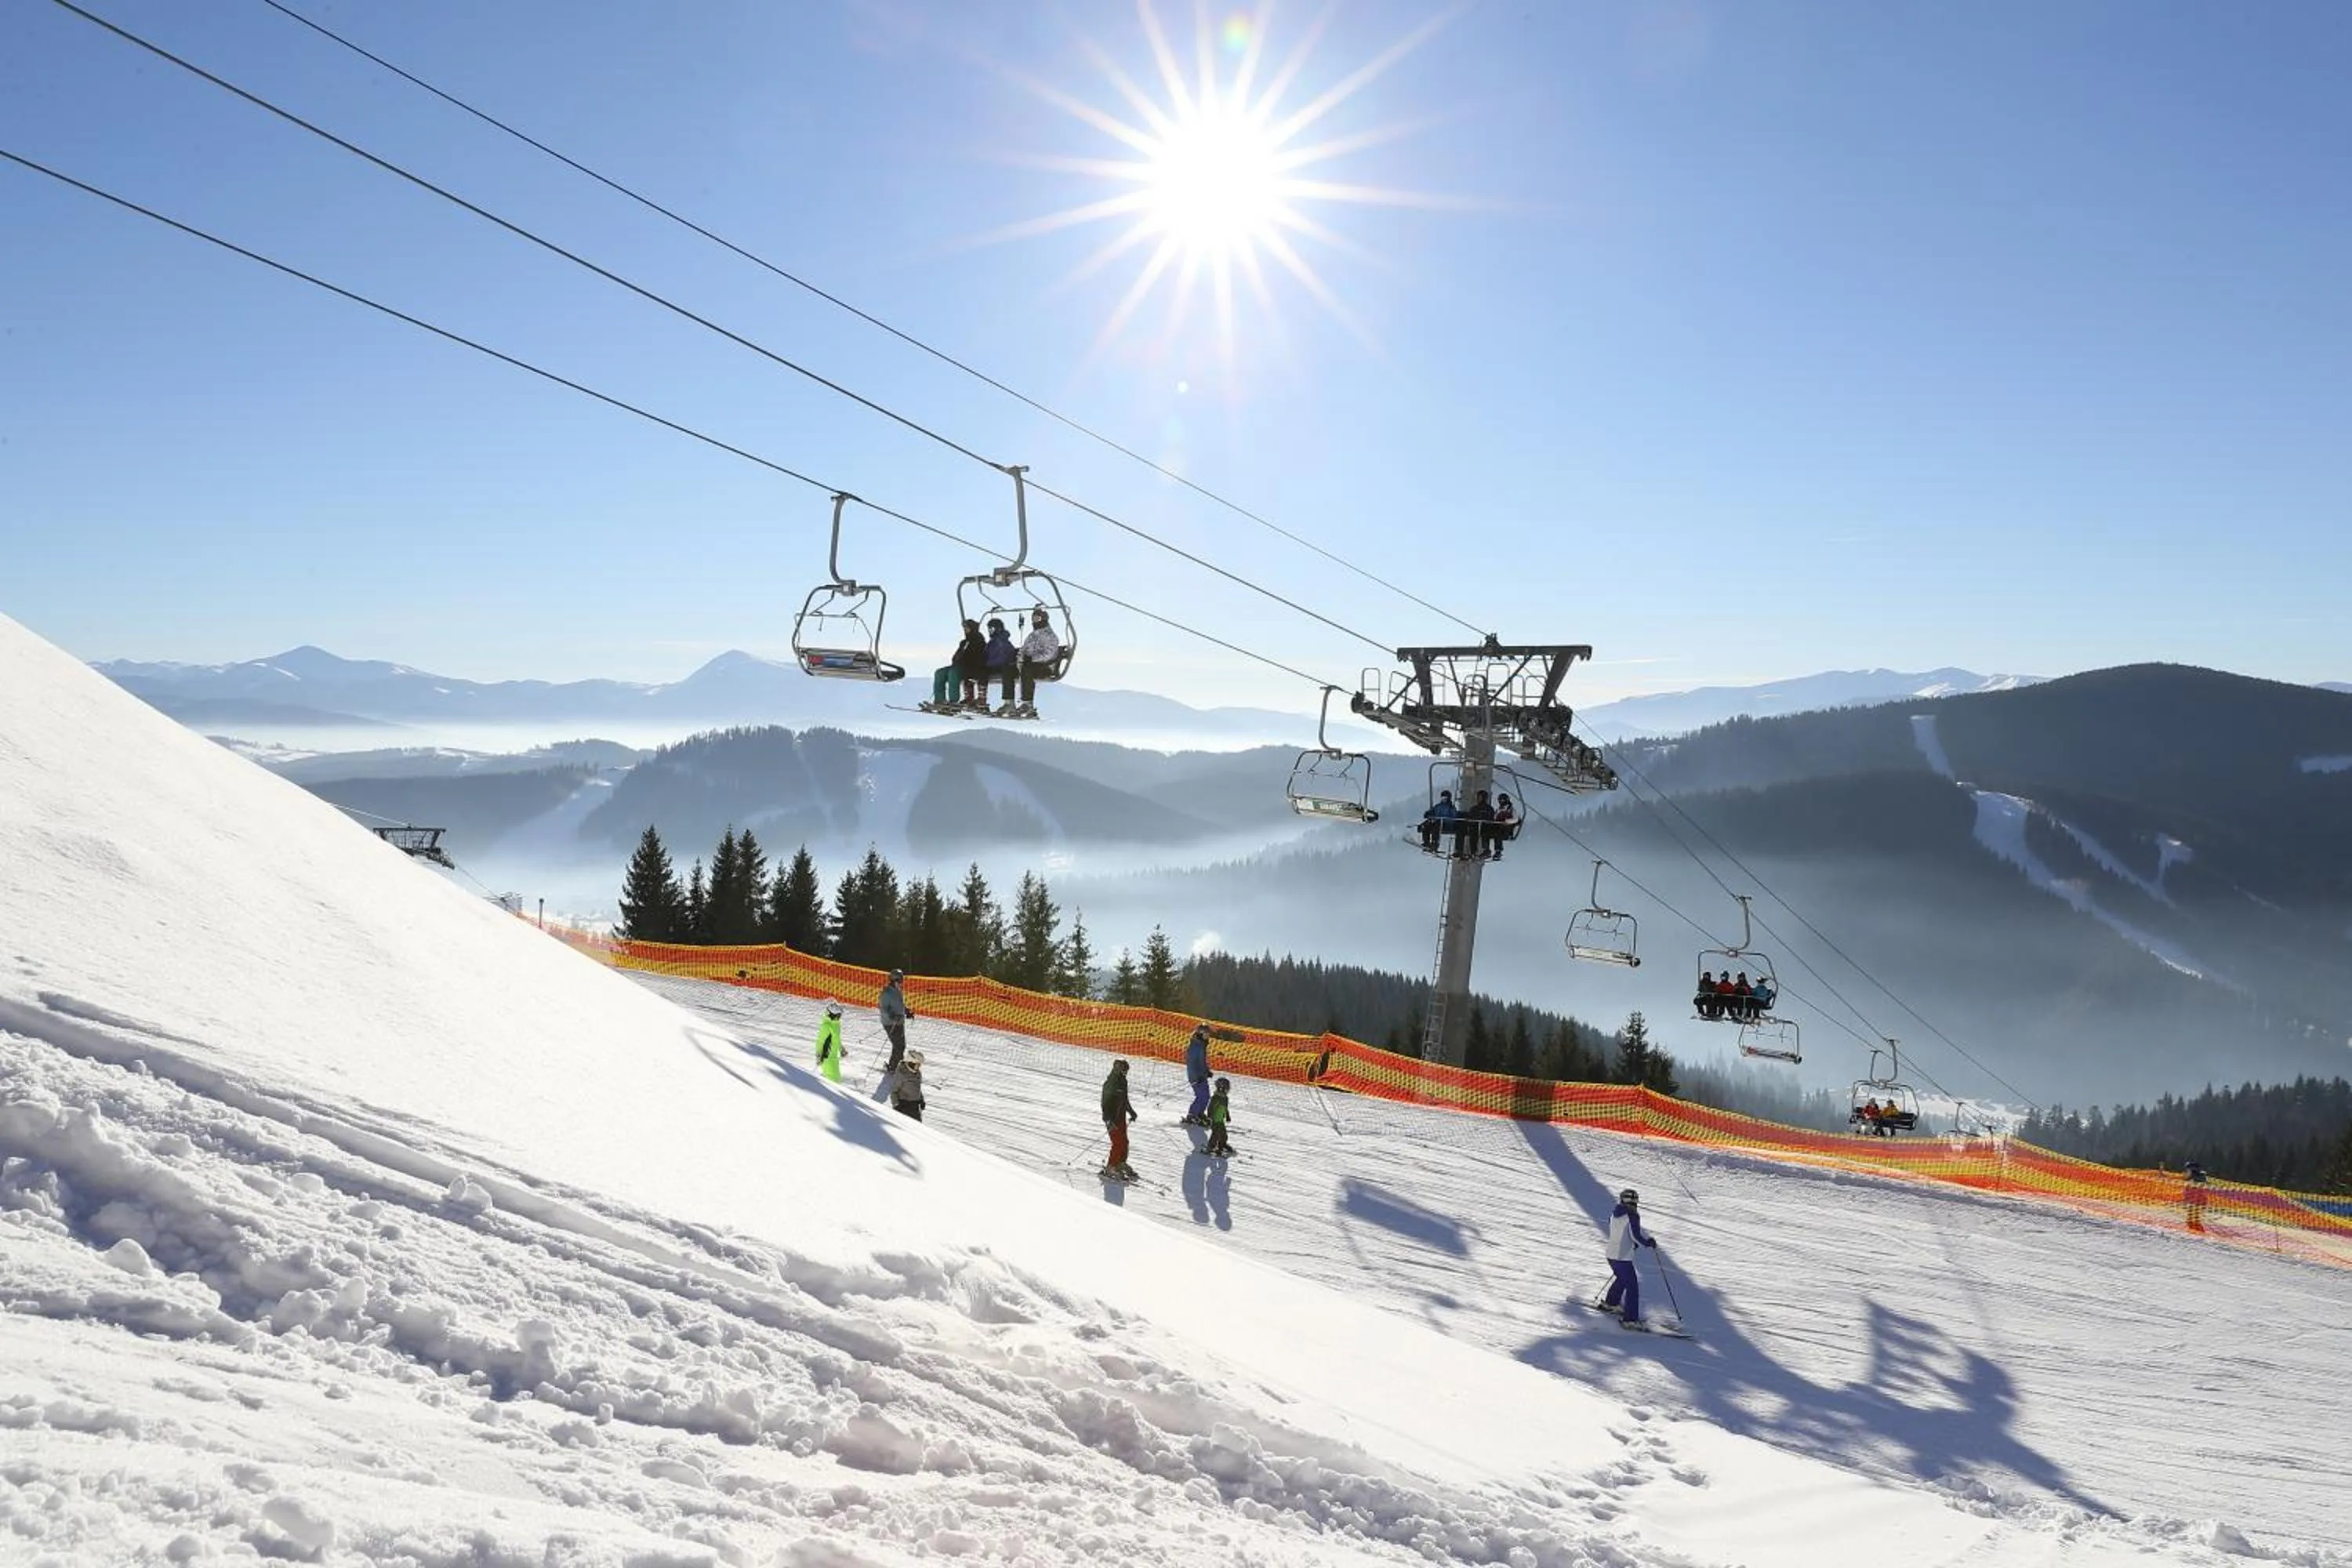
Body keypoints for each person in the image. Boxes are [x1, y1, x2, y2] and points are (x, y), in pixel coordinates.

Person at [1597, 1187, 1658, 1327]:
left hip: (1611, 1255)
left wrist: (1631, 1244)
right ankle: (1630, 1320)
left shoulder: (1614, 1214)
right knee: (1632, 1287)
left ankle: (1611, 1304)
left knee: (1622, 1279)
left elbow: (1620, 1233)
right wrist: (1648, 1243)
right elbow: (1635, 1235)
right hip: (1622, 1257)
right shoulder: (1632, 1215)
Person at [1010, 608, 1063, 718]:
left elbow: (1049, 654)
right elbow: (1024, 650)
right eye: (1033, 618)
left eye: (1037, 618)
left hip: (1045, 666)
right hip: (1030, 664)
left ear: (1044, 619)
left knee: (1027, 669)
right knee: (1008, 669)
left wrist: (1032, 658)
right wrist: (1020, 658)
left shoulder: (1050, 636)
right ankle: (1009, 703)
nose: (1035, 621)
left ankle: (1028, 704)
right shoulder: (1032, 636)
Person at [931, 618, 985, 710]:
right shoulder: (964, 642)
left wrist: (964, 661)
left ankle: (953, 700)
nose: (965, 630)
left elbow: (976, 657)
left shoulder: (978, 641)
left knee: (953, 673)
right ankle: (939, 700)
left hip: (970, 667)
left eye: (967, 628)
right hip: (958, 666)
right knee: (939, 673)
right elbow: (957, 655)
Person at [1101, 1059, 1138, 1181]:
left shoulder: (1123, 1082)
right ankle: (1111, 1166)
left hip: (1121, 1117)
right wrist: (1107, 1119)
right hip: (1112, 1118)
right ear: (1117, 1069)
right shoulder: (1110, 1083)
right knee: (1118, 1143)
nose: (1125, 1073)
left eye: (1126, 1071)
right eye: (1123, 1070)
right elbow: (1105, 1103)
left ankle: (1120, 1162)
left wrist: (1131, 1111)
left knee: (1125, 1142)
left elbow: (1125, 1100)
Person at [878, 968, 911, 1072]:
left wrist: (906, 1011)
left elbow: (899, 1004)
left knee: (900, 1045)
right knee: (899, 1046)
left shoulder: (898, 990)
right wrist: (893, 1017)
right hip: (890, 1023)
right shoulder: (886, 993)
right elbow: (883, 1009)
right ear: (894, 980)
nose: (901, 983)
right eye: (900, 981)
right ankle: (894, 1067)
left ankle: (896, 1065)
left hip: (899, 1022)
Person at [1182, 1023, 1214, 1126]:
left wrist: (1206, 1071)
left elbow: (1201, 1062)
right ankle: (1192, 1115)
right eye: (1207, 1034)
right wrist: (1196, 1076)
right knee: (1201, 1096)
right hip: (1196, 1076)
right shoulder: (1195, 1046)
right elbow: (1192, 1063)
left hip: (1201, 1075)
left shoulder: (1201, 1045)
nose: (1208, 1036)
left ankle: (1199, 1113)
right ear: (1201, 1033)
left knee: (1206, 1096)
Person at [982, 618, 1016, 709]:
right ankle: (979, 699)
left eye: (992, 629)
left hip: (1004, 667)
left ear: (998, 629)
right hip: (996, 666)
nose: (990, 631)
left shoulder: (1001, 641)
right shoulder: (993, 642)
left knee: (1007, 672)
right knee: (979, 670)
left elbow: (1003, 658)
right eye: (989, 629)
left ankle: (1009, 703)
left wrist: (986, 663)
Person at [813, 1001, 845, 1083]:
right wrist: (818, 1055)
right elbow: (820, 1042)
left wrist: (841, 1049)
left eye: (840, 1016)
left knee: (836, 1078)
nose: (839, 1018)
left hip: (834, 1057)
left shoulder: (836, 1025)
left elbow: (836, 1039)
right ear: (832, 1015)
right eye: (838, 1016)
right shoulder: (826, 1026)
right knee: (833, 1081)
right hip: (827, 1058)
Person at [891, 1050, 926, 1121]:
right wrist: (896, 1105)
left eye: (919, 1066)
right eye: (917, 1065)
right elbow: (894, 1091)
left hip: (915, 1106)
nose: (918, 1068)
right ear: (911, 1063)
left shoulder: (918, 1074)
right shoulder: (901, 1073)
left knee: (917, 1127)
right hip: (904, 1105)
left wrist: (921, 1099)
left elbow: (917, 1088)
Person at [1420, 789, 1459, 853]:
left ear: (1448, 798)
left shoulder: (1451, 807)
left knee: (1437, 824)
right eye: (1442, 798)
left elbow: (1454, 816)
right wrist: (1428, 814)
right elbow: (1432, 811)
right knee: (1427, 824)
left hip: (1447, 825)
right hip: (1437, 823)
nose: (1443, 799)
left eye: (1445, 798)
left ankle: (1435, 844)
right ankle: (1426, 842)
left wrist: (1445, 819)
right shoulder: (1438, 806)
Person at [1203, 1076, 1234, 1157]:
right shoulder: (1215, 1098)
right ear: (1222, 1088)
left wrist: (1227, 1115)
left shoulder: (1225, 1099)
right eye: (1227, 1088)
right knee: (1216, 1134)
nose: (1228, 1090)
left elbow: (1225, 1108)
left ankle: (1222, 1146)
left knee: (1224, 1135)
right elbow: (1210, 1109)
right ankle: (1210, 1147)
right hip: (1214, 1120)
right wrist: (1209, 1118)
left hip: (1220, 1120)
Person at [1465, 789, 1497, 858]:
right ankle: (1473, 852)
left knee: (1485, 832)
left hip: (1486, 826)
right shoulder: (1474, 808)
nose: (1480, 799)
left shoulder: (1489, 809)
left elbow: (1492, 818)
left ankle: (1486, 849)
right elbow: (1470, 817)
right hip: (1475, 826)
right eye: (1479, 797)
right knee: (1473, 834)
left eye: (1481, 797)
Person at [2184, 1160, 2209, 1232]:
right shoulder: (2192, 1180)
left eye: (2188, 1170)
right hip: (2193, 1202)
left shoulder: (2199, 1179)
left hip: (2198, 1202)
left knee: (2195, 1218)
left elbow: (2200, 1191)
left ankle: (2199, 1232)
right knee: (2190, 1218)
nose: (2187, 1172)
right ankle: (2193, 1231)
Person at [1490, 793, 1517, 859]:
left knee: (1498, 833)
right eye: (1500, 800)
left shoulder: (1511, 809)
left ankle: (1498, 851)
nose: (1501, 802)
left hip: (1506, 830)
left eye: (1503, 800)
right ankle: (1485, 849)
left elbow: (1515, 819)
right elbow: (1494, 818)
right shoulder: (1498, 810)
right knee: (1493, 831)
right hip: (1498, 828)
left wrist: (1506, 821)